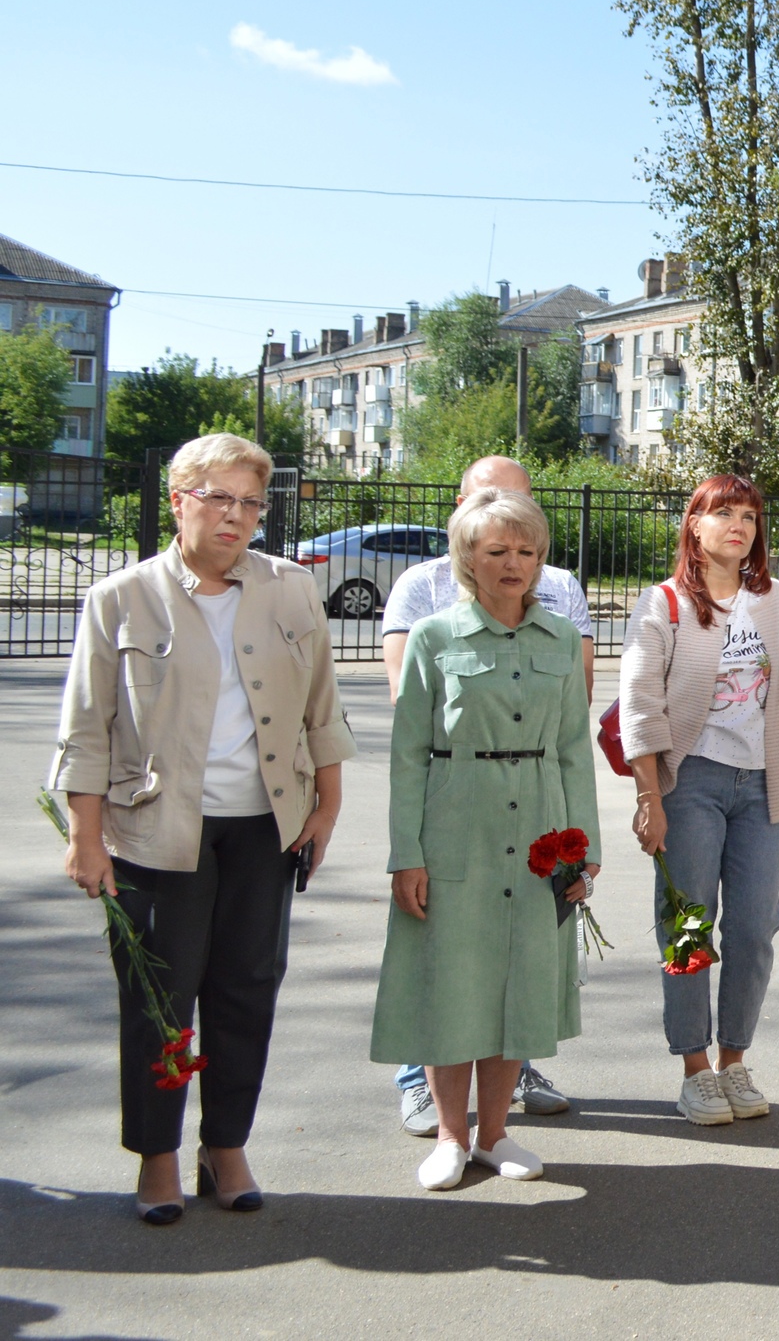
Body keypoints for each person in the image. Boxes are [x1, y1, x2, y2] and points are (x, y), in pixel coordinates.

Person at [50, 432, 352, 1223]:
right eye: (219, 497)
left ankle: (226, 1146)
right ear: (179, 499)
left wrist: (327, 806)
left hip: (265, 827)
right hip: (157, 831)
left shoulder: (290, 589)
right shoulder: (123, 597)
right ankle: (157, 1157)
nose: (237, 515)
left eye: (251, 502)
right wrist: (85, 837)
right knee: (160, 997)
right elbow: (86, 726)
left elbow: (323, 709)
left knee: (247, 991)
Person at [371, 489, 598, 1191]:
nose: (514, 564)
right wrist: (406, 853)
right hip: (456, 825)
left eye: (526, 551)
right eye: (497, 551)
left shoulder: (561, 639)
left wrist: (583, 851)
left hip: (540, 823)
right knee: (454, 983)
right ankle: (449, 1134)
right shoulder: (435, 637)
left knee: (517, 982)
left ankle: (496, 1134)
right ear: (467, 558)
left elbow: (572, 751)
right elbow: (408, 752)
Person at [618, 475, 779, 1127]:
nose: (738, 525)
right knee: (687, 926)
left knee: (753, 927)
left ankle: (734, 1059)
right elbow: (641, 708)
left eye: (748, 515)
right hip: (692, 786)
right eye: (723, 513)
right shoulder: (665, 604)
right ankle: (695, 1068)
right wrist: (649, 798)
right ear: (695, 526)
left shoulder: (777, 602)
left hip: (760, 786)